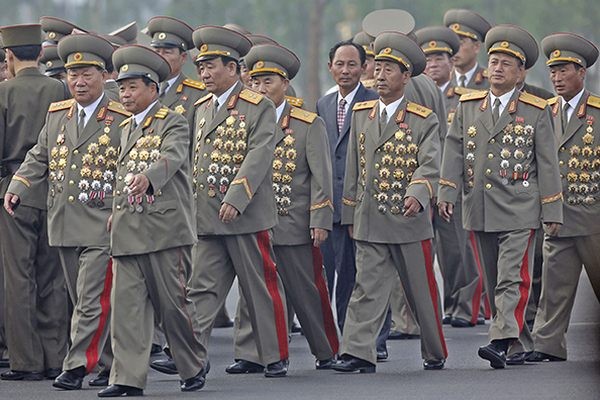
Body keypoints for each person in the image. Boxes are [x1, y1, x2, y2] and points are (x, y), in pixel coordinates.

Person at [4, 33, 128, 390]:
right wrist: (18, 185)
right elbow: (38, 156)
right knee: (82, 298)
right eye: (73, 74)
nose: (79, 80)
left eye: (87, 72)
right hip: (63, 222)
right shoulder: (58, 115)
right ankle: (108, 363)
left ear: (104, 75)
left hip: (101, 222)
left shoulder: (120, 118)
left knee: (91, 298)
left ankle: (76, 366)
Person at [438, 24, 563, 369]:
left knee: (511, 276)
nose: (497, 68)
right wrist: (447, 190)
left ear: (521, 72)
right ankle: (518, 342)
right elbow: (454, 148)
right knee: (493, 278)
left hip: (520, 206)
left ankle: (499, 339)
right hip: (478, 206)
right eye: (494, 61)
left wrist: (552, 209)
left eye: (507, 63)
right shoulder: (468, 105)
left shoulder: (536, 110)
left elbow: (548, 163)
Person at [334, 30, 447, 373]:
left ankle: (435, 350)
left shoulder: (422, 118)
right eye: (377, 68)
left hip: (407, 219)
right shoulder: (362, 113)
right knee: (366, 288)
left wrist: (418, 193)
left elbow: (430, 162)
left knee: (420, 292)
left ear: (406, 76)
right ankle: (358, 352)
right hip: (370, 217)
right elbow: (354, 168)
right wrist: (350, 212)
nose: (379, 76)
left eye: (388, 70)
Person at [99, 44, 207, 397]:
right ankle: (127, 378)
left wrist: (149, 177)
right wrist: (116, 212)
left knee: (172, 307)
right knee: (127, 310)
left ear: (153, 89)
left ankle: (191, 364)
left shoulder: (172, 121)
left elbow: (172, 156)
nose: (126, 94)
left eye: (133, 88)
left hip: (164, 231)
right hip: (129, 230)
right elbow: (120, 176)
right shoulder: (124, 127)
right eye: (123, 88)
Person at [229, 43, 339, 371]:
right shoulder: (239, 121)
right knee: (256, 292)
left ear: (285, 84)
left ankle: (325, 349)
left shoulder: (306, 124)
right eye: (255, 82)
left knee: (305, 289)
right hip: (253, 220)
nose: (260, 90)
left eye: (268, 82)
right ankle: (254, 354)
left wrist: (320, 218)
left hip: (292, 221)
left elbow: (322, 177)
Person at [188, 25, 289, 378]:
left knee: (258, 286)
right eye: (201, 67)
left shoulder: (257, 106)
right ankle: (188, 355)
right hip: (207, 214)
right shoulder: (200, 108)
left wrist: (237, 196)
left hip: (245, 214)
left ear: (232, 68)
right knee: (200, 287)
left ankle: (274, 353)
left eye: (211, 65)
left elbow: (260, 154)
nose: (204, 73)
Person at [0, 23, 68, 382]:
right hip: (56, 190)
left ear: (9, 56)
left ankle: (24, 360)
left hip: (13, 190)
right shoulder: (60, 87)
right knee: (53, 276)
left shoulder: (3, 92)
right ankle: (56, 358)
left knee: (18, 277)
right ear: (41, 54)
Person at [528, 32, 600, 362]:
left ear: (581, 72)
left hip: (593, 217)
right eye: (553, 71)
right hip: (556, 216)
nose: (556, 78)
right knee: (554, 286)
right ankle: (547, 344)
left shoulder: (597, 112)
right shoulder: (543, 111)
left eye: (564, 70)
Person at [416, 25, 485, 328]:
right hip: (421, 181)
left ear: (451, 62)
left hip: (453, 182)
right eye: (427, 59)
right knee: (424, 250)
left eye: (439, 59)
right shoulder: (415, 95)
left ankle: (464, 306)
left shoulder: (466, 98)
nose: (433, 65)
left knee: (457, 246)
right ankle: (438, 307)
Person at [317, 39, 377, 328]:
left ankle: (367, 340)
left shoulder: (375, 102)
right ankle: (336, 339)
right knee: (328, 274)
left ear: (364, 67)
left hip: (361, 206)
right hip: (329, 207)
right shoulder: (323, 104)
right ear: (330, 68)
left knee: (360, 277)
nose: (345, 70)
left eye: (352, 64)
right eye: (339, 64)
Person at [146, 16, 207, 131]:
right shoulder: (141, 90)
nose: (160, 57)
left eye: (167, 52)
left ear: (183, 58)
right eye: (156, 52)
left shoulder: (198, 94)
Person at [443, 9, 491, 90]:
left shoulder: (490, 82)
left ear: (476, 47)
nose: (455, 49)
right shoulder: (443, 81)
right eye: (453, 43)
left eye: (461, 43)